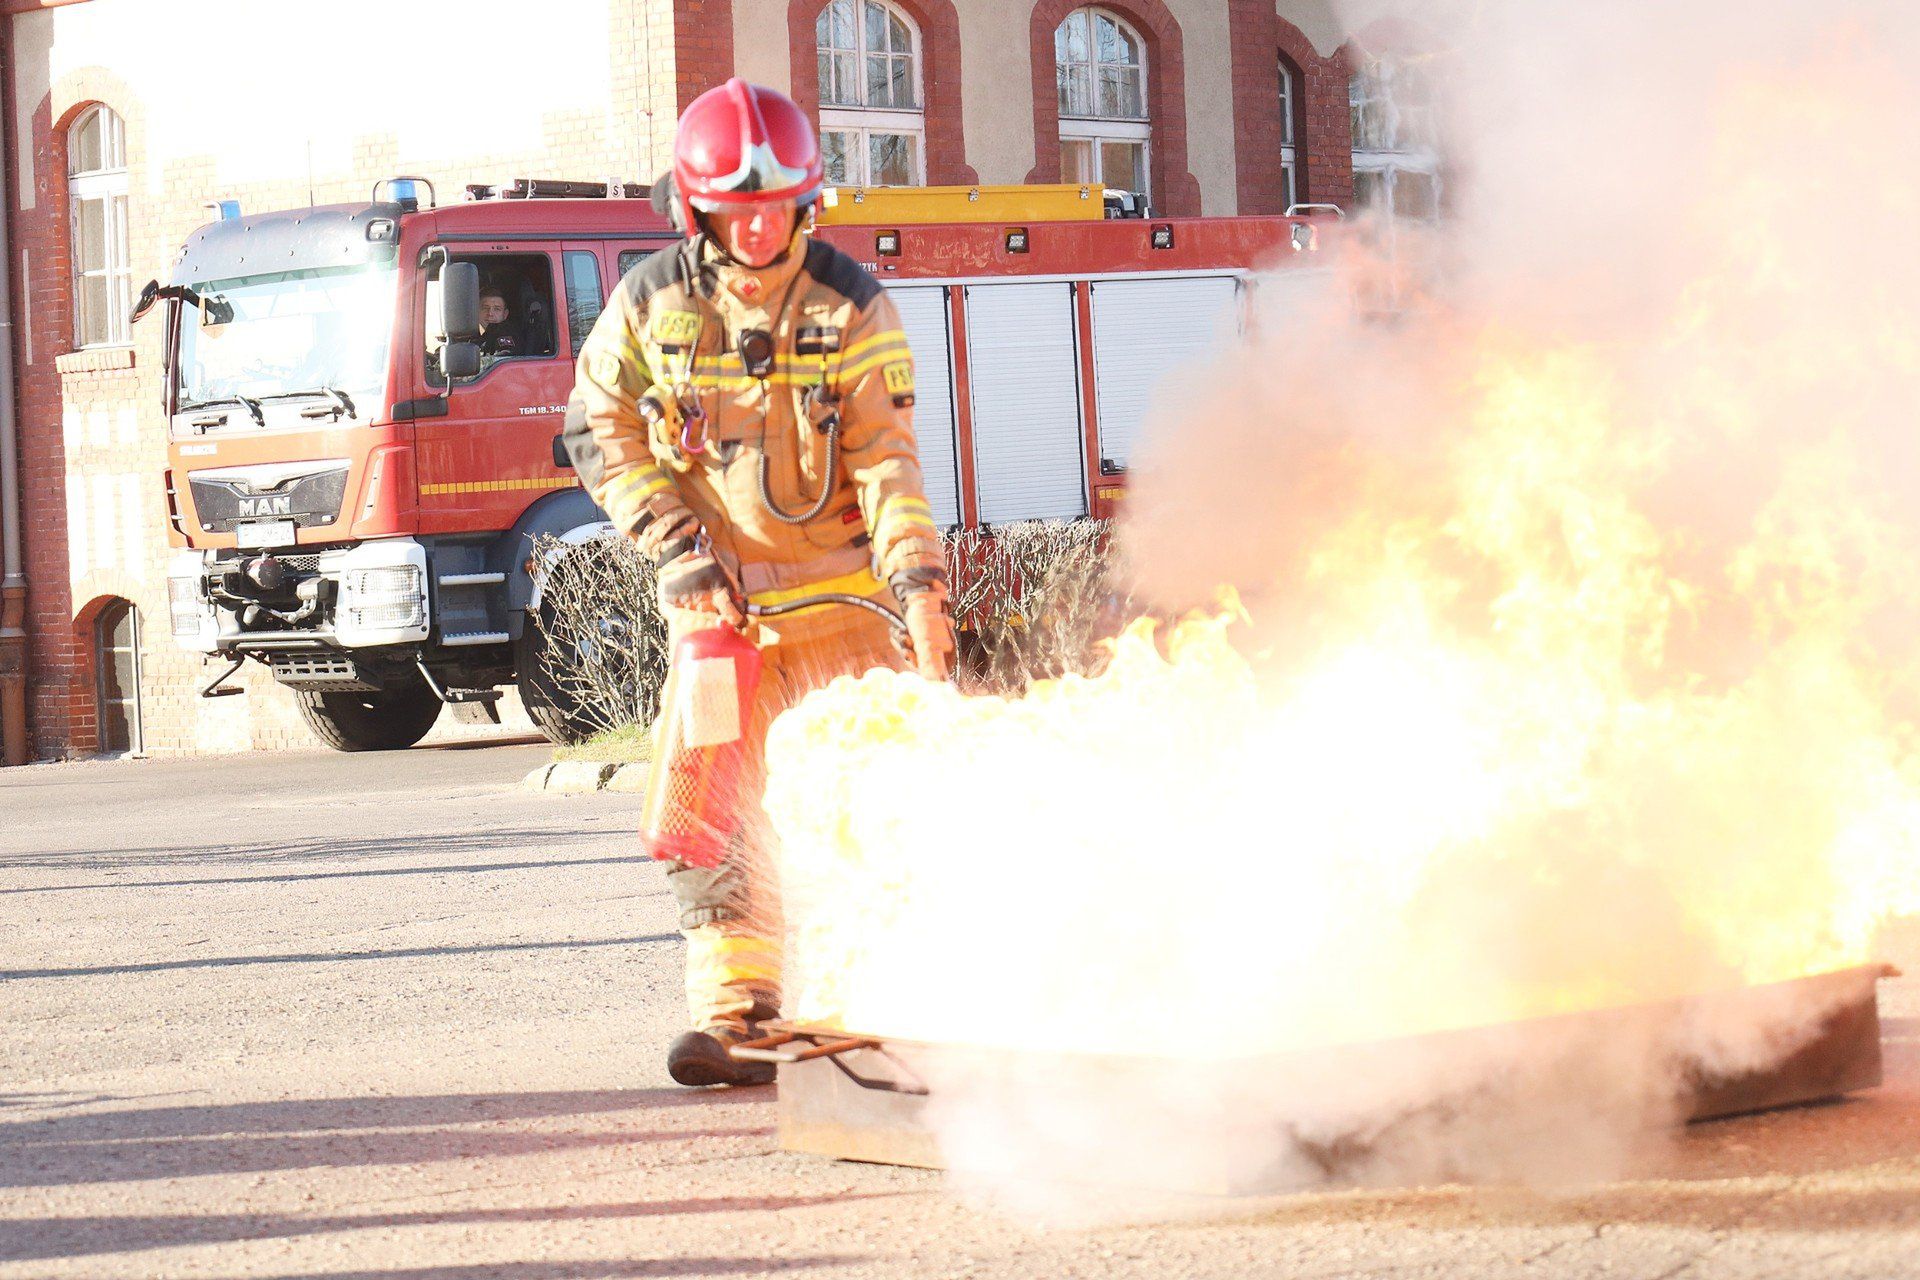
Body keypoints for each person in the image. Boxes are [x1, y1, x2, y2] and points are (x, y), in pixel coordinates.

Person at [562, 78, 955, 1088]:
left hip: (846, 619)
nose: (758, 229)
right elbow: (596, 429)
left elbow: (886, 460)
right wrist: (678, 548)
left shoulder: (850, 303)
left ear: (807, 202)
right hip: (721, 626)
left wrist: (920, 587)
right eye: (737, 212)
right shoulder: (652, 302)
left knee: (870, 818)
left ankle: (889, 1008)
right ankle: (738, 1019)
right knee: (712, 823)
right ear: (697, 210)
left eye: (777, 209)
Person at [478, 286, 524, 357]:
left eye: (497, 309)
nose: (490, 313)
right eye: (485, 308)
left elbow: (505, 357)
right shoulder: (471, 335)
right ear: (476, 312)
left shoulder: (506, 333)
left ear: (505, 314)